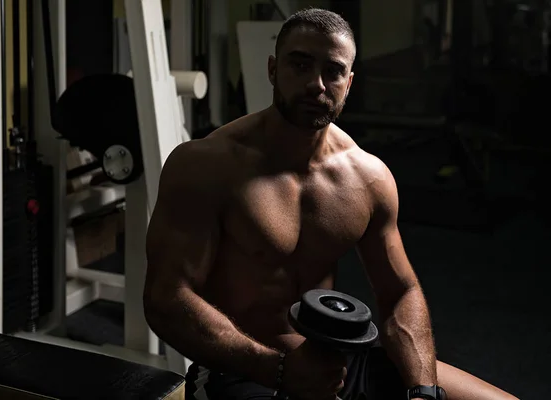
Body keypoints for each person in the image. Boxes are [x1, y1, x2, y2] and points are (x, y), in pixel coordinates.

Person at [143, 8, 518, 400]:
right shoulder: (205, 166)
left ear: (349, 82)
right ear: (273, 69)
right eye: (300, 65)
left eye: (333, 71)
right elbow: (167, 298)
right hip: (242, 368)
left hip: (340, 363)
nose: (316, 84)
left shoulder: (368, 178)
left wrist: (422, 390)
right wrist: (278, 369)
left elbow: (400, 292)